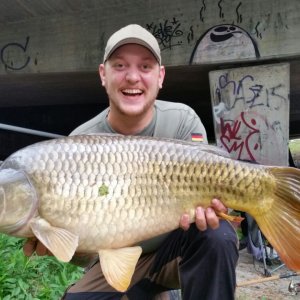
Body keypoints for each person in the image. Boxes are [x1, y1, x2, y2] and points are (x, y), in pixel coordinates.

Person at [23, 24, 239, 300]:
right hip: (115, 259)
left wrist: (216, 207)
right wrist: (57, 241)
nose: (133, 77)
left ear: (160, 76)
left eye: (145, 67)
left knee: (216, 235)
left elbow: (215, 190)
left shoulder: (182, 121)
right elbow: (82, 253)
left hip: (175, 249)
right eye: (121, 65)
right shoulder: (79, 145)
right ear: (104, 74)